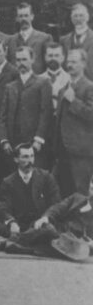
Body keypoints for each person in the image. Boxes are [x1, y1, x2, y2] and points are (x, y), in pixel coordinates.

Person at [0, 144, 61, 252]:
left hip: (40, 224)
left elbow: (56, 203)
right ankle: (29, 244)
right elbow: (3, 206)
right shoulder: (8, 182)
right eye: (25, 157)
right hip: (19, 225)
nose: (29, 160)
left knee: (49, 230)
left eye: (32, 156)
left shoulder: (46, 177)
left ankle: (16, 242)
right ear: (16, 159)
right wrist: (11, 222)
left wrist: (45, 218)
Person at [0, 46, 53, 168]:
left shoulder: (43, 83)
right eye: (18, 60)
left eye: (24, 59)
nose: (21, 63)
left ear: (32, 60)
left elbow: (46, 113)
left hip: (34, 143)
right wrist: (4, 140)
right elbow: (3, 115)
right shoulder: (10, 86)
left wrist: (39, 139)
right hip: (13, 143)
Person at [56, 48, 93, 196]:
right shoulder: (64, 88)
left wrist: (74, 101)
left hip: (81, 150)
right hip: (63, 149)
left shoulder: (89, 87)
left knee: (81, 190)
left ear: (83, 64)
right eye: (68, 61)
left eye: (74, 62)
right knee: (65, 189)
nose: (70, 65)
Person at [7, 2, 53, 74]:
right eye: (21, 16)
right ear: (17, 18)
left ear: (32, 16)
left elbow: (50, 63)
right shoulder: (11, 40)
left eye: (26, 15)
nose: (24, 19)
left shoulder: (45, 38)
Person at [59, 3, 93, 80]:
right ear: (71, 19)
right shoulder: (64, 40)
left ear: (87, 17)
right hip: (68, 84)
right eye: (75, 16)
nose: (78, 19)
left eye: (81, 16)